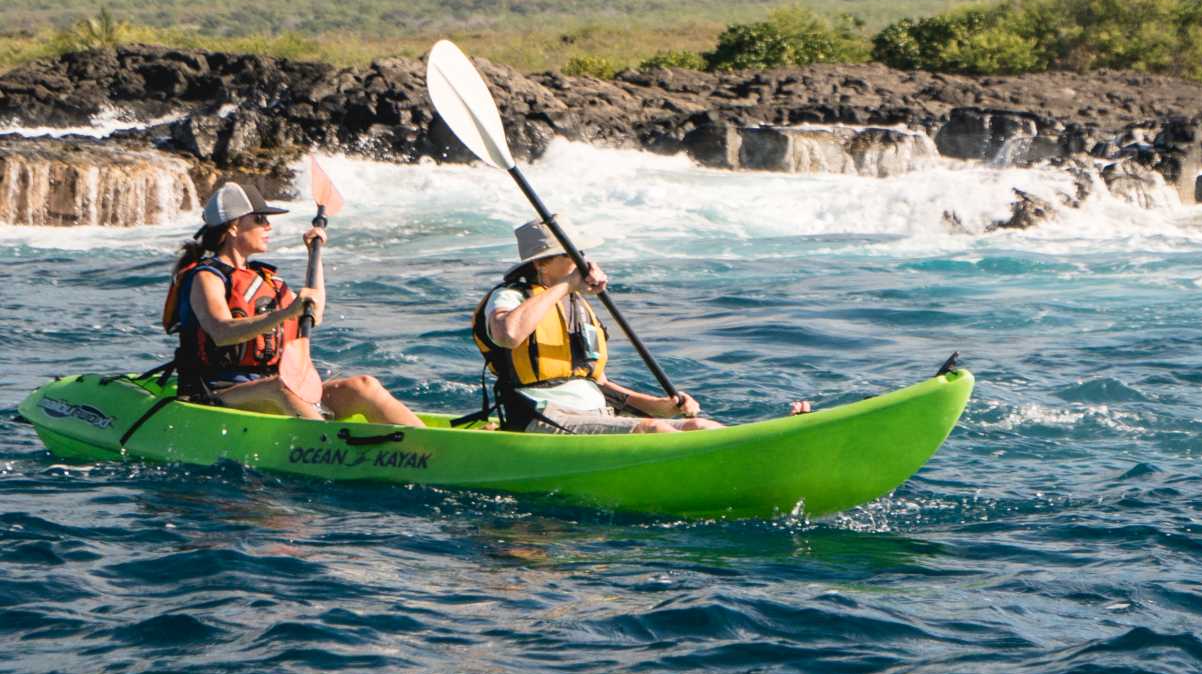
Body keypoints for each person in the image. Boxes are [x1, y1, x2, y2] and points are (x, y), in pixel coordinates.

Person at [474, 220, 809, 434]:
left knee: (696, 425)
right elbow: (508, 334)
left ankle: (759, 447)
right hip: (539, 416)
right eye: (572, 255)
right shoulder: (508, 296)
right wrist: (564, 286)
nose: (583, 261)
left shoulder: (577, 306)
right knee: (655, 432)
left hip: (595, 411)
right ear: (544, 264)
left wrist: (658, 405)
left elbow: (597, 382)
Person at [167, 180, 422, 426]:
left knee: (364, 386)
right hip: (217, 393)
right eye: (259, 219)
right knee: (280, 387)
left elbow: (315, 314)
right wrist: (286, 312)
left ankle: (428, 447)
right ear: (233, 227)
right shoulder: (206, 277)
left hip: (271, 388)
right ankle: (330, 450)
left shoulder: (263, 279)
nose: (268, 226)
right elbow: (221, 332)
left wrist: (314, 256)